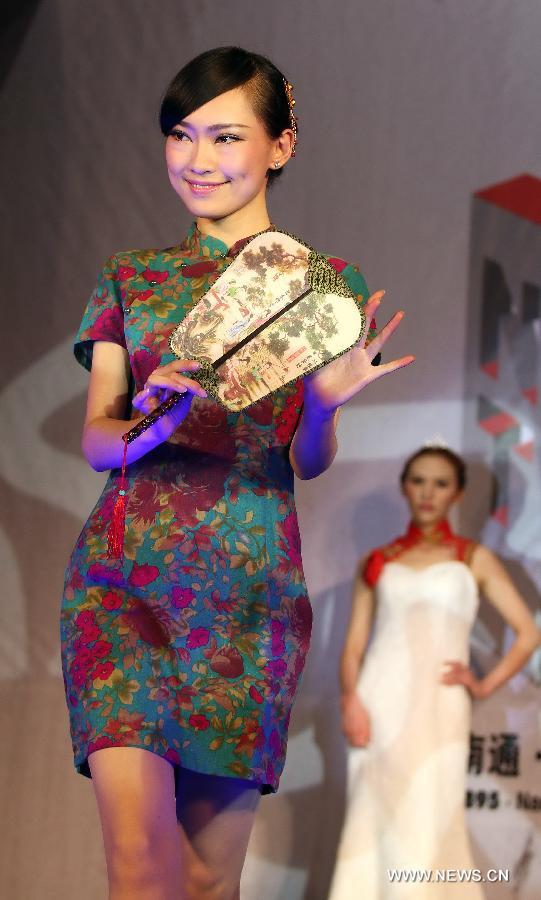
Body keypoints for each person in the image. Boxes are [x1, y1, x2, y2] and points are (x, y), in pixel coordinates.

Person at [60, 46, 413, 900]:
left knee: (206, 879)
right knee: (140, 867)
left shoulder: (325, 289)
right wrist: (151, 417)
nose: (198, 159)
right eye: (181, 136)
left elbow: (305, 460)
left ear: (279, 147)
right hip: (122, 585)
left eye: (224, 136)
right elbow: (98, 440)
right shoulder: (131, 278)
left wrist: (324, 406)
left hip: (246, 591)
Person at [329, 446, 540, 899]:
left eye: (441, 483)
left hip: (441, 706)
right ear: (405, 487)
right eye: (419, 481)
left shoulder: (472, 558)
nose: (428, 493)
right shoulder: (377, 560)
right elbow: (353, 648)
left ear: (458, 494)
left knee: (433, 813)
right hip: (379, 703)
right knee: (373, 815)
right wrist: (351, 700)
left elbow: (527, 633)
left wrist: (483, 684)